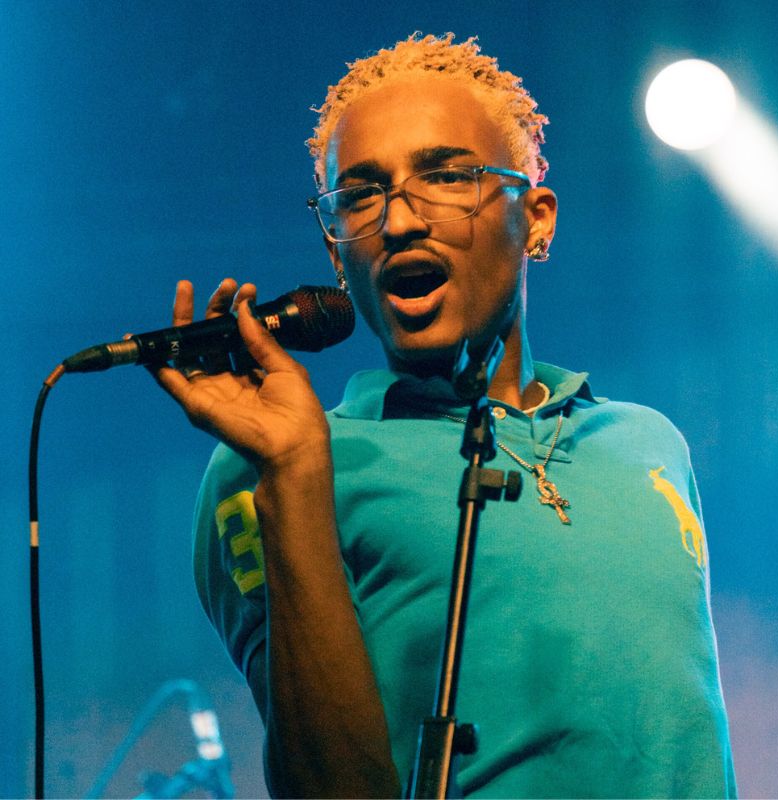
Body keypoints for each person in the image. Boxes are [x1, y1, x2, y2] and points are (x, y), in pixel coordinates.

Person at [153, 34, 736, 798]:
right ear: (335, 254)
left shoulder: (647, 442)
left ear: (537, 219)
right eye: (360, 195)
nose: (398, 220)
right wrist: (292, 471)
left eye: (447, 175)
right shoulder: (275, 461)